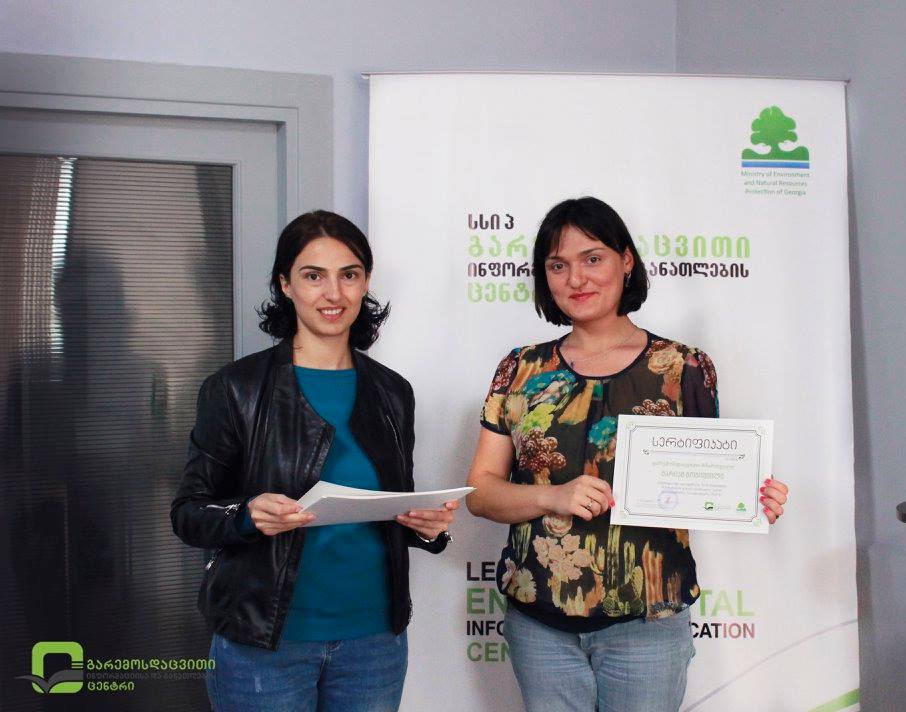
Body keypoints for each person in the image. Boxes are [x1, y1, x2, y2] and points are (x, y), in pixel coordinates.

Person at [465, 197, 790, 712]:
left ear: (626, 261)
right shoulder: (521, 369)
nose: (576, 278)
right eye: (558, 265)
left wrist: (751, 498)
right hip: (539, 621)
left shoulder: (683, 368)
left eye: (592, 258)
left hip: (648, 623)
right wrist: (553, 496)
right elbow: (480, 492)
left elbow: (710, 476)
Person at [171, 210, 457, 711]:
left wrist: (425, 527)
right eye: (313, 276)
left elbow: (390, 508)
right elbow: (189, 512)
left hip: (374, 644)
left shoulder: (393, 392)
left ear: (365, 282)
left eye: (349, 275)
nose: (334, 293)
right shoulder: (235, 389)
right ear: (285, 284)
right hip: (265, 644)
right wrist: (247, 515)